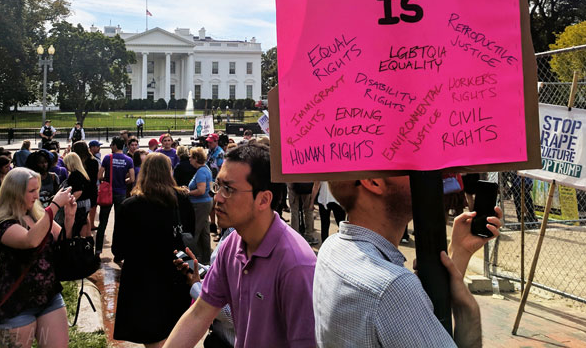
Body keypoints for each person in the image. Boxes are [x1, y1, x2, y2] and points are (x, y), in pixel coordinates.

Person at [313, 177, 502, 348]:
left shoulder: (331, 248)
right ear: (373, 181)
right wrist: (468, 312)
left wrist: (459, 251)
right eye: (407, 162)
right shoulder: (393, 288)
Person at [164, 144, 317, 348]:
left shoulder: (296, 266)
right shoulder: (232, 245)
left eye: (228, 189)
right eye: (218, 186)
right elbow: (200, 313)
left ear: (264, 199)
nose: (217, 198)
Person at [0, 168, 77, 348]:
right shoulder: (2, 224)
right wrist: (54, 205)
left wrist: (69, 218)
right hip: (15, 303)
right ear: (15, 192)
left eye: (37, 189)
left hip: (49, 297)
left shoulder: (38, 215)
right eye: (31, 191)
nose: (37, 195)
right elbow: (31, 240)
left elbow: (62, 242)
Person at [112, 153, 195, 347]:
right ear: (169, 172)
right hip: (177, 270)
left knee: (152, 335)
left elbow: (119, 249)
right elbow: (190, 234)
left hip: (142, 277)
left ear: (144, 173)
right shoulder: (181, 199)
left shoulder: (130, 206)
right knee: (177, 330)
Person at [95, 136, 134, 255]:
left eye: (111, 145)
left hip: (108, 193)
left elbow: (99, 176)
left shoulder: (108, 158)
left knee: (103, 222)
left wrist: (106, 180)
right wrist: (123, 181)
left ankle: (98, 250)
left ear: (115, 145)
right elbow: (132, 178)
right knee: (119, 223)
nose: (110, 147)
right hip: (121, 193)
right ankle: (117, 251)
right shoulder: (128, 160)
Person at [187, 147, 213, 264]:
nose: (189, 160)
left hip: (200, 204)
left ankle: (193, 260)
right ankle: (205, 259)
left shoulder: (201, 171)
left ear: (196, 158)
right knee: (204, 232)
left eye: (191, 157)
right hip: (204, 203)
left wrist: (188, 192)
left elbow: (201, 190)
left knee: (196, 231)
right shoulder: (205, 169)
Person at [63, 151, 90, 237]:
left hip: (79, 203)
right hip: (86, 201)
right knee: (84, 222)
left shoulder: (74, 175)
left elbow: (78, 192)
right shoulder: (82, 173)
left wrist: (67, 201)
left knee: (78, 225)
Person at [287, 180, 318, 245]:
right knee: (308, 211)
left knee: (294, 212)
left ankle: (295, 236)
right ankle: (309, 235)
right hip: (307, 185)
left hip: (293, 185)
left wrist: (289, 184)